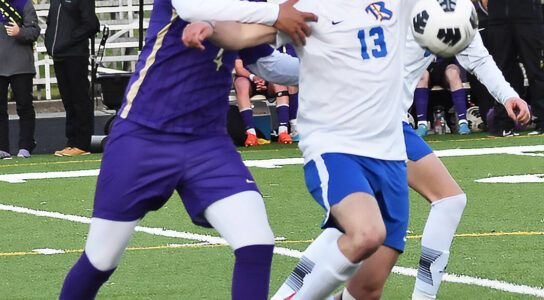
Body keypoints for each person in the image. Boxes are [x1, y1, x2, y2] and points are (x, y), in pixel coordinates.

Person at [58, 0, 315, 299]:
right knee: (101, 259)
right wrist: (276, 14)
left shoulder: (253, 5)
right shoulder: (252, 8)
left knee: (257, 241)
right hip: (143, 136)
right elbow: (195, 8)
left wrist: (336, 70)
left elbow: (268, 64)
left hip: (208, 143)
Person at [183, 0, 419, 298]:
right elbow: (243, 36)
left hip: (390, 153)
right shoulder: (310, 6)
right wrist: (211, 27)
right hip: (335, 146)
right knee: (366, 234)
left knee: (368, 290)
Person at [270, 31, 530, 300]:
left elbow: (477, 56)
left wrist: (508, 95)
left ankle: (287, 294)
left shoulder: (456, 9)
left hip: (388, 121)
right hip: (359, 118)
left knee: (363, 247)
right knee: (430, 205)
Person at [487, 0, 544, 136]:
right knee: (501, 70)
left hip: (529, 17)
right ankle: (503, 122)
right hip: (499, 18)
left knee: (537, 69)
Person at [45, 0, 100, 156]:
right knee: (68, 101)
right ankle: (72, 142)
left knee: (79, 98)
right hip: (59, 55)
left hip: (76, 55)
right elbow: (51, 22)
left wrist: (70, 38)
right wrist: (50, 43)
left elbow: (91, 24)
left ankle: (82, 143)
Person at [0, 0, 40, 159]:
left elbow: (34, 31)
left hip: (21, 64)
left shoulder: (24, 3)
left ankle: (26, 145)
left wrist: (19, 32)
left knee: (24, 107)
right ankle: (2, 147)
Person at [233, 58, 293, 146]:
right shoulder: (240, 44)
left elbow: (278, 65)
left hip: (269, 78)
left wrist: (265, 78)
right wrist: (254, 78)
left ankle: (283, 132)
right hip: (248, 78)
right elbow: (239, 68)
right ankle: (251, 133)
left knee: (281, 84)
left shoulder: (270, 44)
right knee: (241, 84)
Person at [414, 57, 471, 136]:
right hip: (424, 63)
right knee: (421, 75)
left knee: (453, 72)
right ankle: (422, 125)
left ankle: (463, 123)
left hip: (445, 63)